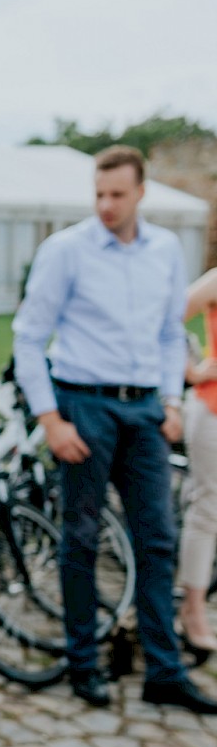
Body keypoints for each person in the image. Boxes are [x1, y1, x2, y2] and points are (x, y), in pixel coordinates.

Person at [13, 143, 217, 712]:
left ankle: (164, 671)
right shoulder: (67, 250)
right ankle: (84, 665)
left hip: (147, 410)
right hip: (83, 407)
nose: (106, 204)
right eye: (99, 194)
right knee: (79, 536)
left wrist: (173, 402)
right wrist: (50, 418)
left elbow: (169, 333)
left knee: (157, 538)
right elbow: (29, 336)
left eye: (117, 194)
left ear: (140, 192)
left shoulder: (167, 250)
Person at [178, 267, 217, 651]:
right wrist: (192, 371)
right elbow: (169, 317)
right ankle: (193, 609)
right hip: (213, 412)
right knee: (208, 510)